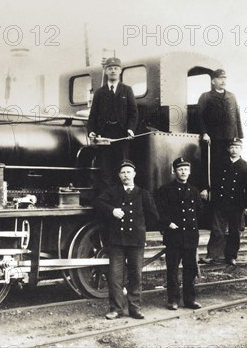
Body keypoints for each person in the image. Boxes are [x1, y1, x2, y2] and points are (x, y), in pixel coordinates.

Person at [94, 160, 159, 320]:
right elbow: (98, 202)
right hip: (117, 241)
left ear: (134, 174)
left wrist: (140, 227)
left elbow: (153, 216)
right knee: (115, 277)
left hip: (136, 242)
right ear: (119, 175)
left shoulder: (143, 193)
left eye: (129, 172)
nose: (125, 175)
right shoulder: (113, 191)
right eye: (123, 172)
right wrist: (112, 211)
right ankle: (116, 309)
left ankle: (135, 308)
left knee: (135, 275)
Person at [157, 158, 203, 310]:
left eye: (185, 169)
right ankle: (173, 300)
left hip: (190, 236)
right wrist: (167, 223)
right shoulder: (166, 190)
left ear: (189, 172)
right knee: (172, 270)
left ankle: (190, 300)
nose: (183, 172)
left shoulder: (194, 191)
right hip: (173, 236)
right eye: (180, 169)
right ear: (174, 171)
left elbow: (199, 211)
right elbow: (160, 211)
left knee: (190, 269)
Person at [200, 138, 247, 265]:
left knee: (234, 232)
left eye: (237, 147)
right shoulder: (220, 164)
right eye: (231, 147)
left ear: (241, 149)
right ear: (228, 149)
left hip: (237, 205)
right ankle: (212, 255)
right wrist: (206, 189)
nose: (234, 150)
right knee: (217, 230)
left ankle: (231, 256)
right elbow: (212, 181)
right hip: (220, 203)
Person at [88, 57, 139, 191]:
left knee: (122, 168)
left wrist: (130, 129)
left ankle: (122, 198)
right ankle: (108, 200)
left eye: (116, 68)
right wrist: (91, 131)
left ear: (120, 71)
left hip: (122, 137)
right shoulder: (99, 92)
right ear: (105, 71)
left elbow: (134, 112)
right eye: (110, 68)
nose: (113, 71)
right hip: (104, 137)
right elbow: (93, 115)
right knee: (105, 170)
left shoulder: (127, 90)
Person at [197, 69, 243, 170]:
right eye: (220, 78)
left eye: (225, 78)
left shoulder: (231, 96)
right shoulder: (205, 96)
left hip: (230, 137)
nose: (223, 81)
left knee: (231, 163)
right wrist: (204, 133)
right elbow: (199, 116)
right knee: (216, 163)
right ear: (213, 81)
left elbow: (237, 116)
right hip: (215, 137)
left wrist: (239, 136)